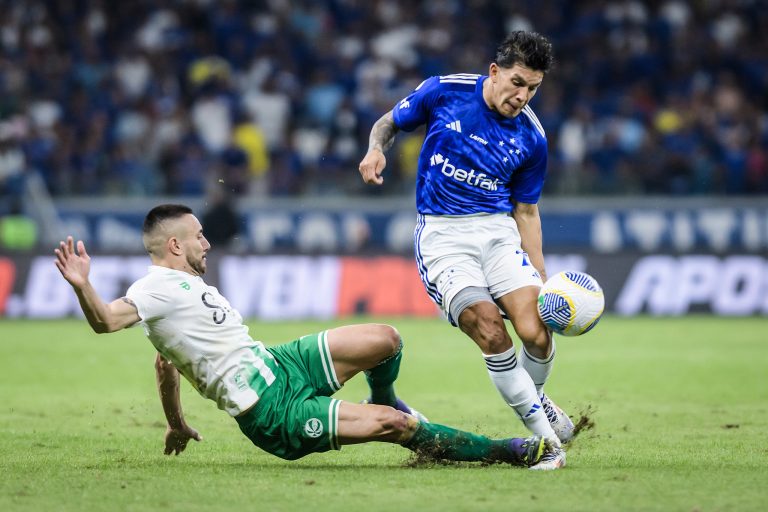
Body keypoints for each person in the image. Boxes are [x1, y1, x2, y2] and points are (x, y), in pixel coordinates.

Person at [53, 203, 554, 468]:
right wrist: (84, 288)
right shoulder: (153, 287)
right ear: (176, 244)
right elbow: (107, 321)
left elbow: (166, 364)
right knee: (394, 429)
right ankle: (502, 452)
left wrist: (177, 422)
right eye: (200, 235)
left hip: (279, 363)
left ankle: (390, 397)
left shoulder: (184, 286)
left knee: (386, 339)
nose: (208, 241)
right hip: (271, 412)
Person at [358, 31, 571, 470]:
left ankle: (537, 398)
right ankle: (547, 442)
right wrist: (375, 150)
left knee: (536, 330)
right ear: (494, 72)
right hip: (443, 236)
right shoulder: (445, 91)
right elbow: (388, 122)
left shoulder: (533, 137)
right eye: (516, 82)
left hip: (497, 233)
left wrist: (543, 280)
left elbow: (526, 213)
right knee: (492, 331)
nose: (522, 96)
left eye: (532, 88)